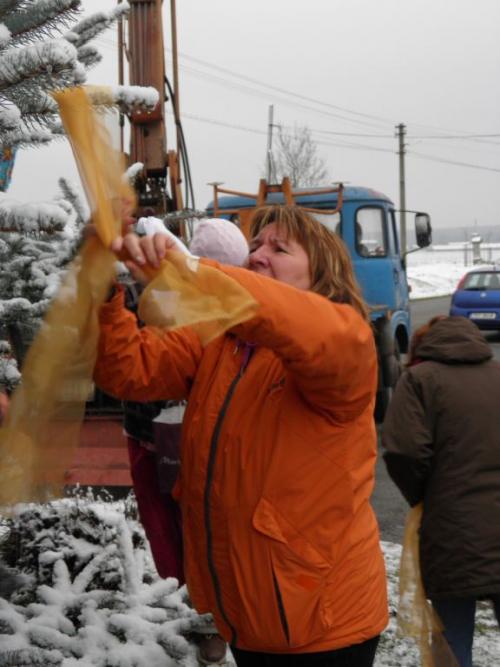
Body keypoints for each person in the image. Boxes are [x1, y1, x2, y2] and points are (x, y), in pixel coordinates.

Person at [94, 205, 388, 666]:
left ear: (323, 271)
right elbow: (128, 369)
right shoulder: (221, 340)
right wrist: (102, 291)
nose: (257, 255)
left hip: (322, 625)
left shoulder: (342, 339)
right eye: (254, 246)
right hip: (247, 615)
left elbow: (299, 322)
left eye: (279, 247)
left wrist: (190, 272)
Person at [122, 216, 249, 665]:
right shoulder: (224, 303)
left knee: (179, 536)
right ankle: (207, 620)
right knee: (200, 535)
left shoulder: (169, 294)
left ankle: (205, 619)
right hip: (169, 436)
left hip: (162, 435)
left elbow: (135, 359)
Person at [382, 316, 500, 667]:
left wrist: (424, 495)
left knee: (452, 636)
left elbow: (405, 451)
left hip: (453, 528)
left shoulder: (419, 379)